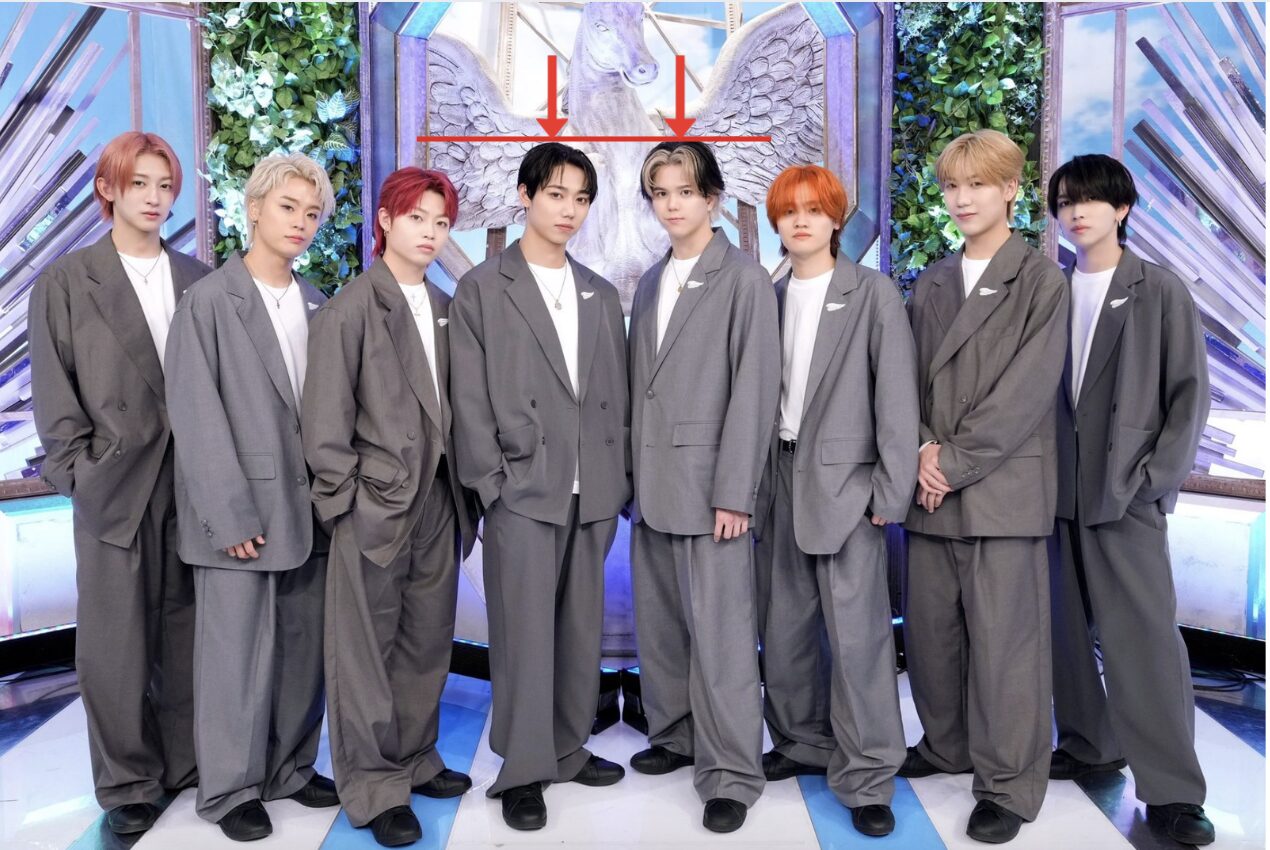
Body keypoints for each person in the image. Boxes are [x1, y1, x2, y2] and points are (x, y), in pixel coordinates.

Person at [28, 131, 207, 835]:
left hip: (191, 483)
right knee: (114, 642)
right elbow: (55, 390)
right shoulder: (69, 280)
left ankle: (185, 761)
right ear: (108, 189)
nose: (155, 198)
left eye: (165, 185)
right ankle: (128, 780)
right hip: (114, 481)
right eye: (140, 184)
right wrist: (78, 472)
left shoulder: (197, 278)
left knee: (186, 628)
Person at [450, 142, 630, 832]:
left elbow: (613, 395)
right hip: (522, 490)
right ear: (525, 196)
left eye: (581, 199)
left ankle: (566, 747)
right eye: (556, 194)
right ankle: (523, 770)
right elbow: (468, 399)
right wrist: (493, 484)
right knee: (524, 635)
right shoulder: (482, 288)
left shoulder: (600, 292)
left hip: (593, 490)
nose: (569, 210)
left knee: (579, 631)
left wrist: (617, 480)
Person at [301, 166, 480, 848]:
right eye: (416, 218)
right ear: (384, 220)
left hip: (440, 499)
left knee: (426, 640)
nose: (430, 232)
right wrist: (346, 506)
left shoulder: (445, 304)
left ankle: (415, 756)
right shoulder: (350, 308)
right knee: (365, 653)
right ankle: (374, 785)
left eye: (441, 222)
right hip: (372, 507)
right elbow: (324, 426)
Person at [899, 129, 1069, 844]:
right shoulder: (933, 281)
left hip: (999, 493)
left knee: (1006, 648)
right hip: (932, 488)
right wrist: (918, 449)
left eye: (977, 184)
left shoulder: (1040, 280)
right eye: (951, 186)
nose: (962, 198)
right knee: (933, 639)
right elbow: (904, 380)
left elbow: (1025, 394)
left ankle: (1008, 784)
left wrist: (950, 462)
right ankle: (946, 746)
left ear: (1009, 189)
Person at [165, 153, 339, 841]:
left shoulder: (318, 301)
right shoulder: (209, 301)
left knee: (301, 650)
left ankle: (290, 768)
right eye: (288, 206)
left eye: (312, 213)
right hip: (239, 512)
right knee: (234, 656)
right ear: (255, 207)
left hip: (311, 510)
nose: (301, 222)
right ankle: (230, 788)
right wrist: (228, 513)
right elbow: (195, 412)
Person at [1046, 154, 1214, 847]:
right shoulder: (1052, 288)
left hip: (1126, 492)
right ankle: (1090, 745)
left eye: (1090, 199)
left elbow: (1188, 395)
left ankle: (1174, 791)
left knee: (1143, 641)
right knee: (1064, 632)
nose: (1076, 212)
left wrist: (1154, 484)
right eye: (1065, 202)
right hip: (1057, 492)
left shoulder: (1157, 289)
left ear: (1121, 207)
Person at [752, 164, 918, 838]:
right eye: (789, 210)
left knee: (858, 640)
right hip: (778, 478)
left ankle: (870, 774)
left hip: (849, 485)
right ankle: (801, 742)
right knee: (786, 628)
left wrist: (891, 492)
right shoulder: (767, 295)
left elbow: (897, 398)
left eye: (814, 210)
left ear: (836, 219)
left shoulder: (871, 293)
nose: (801, 220)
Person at [626, 141, 780, 834]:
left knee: (722, 639)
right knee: (662, 626)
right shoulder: (651, 281)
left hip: (713, 488)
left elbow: (755, 390)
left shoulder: (743, 278)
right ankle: (677, 734)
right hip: (653, 484)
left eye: (685, 191)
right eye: (660, 193)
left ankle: (732, 773)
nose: (672, 204)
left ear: (712, 199)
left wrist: (735, 492)